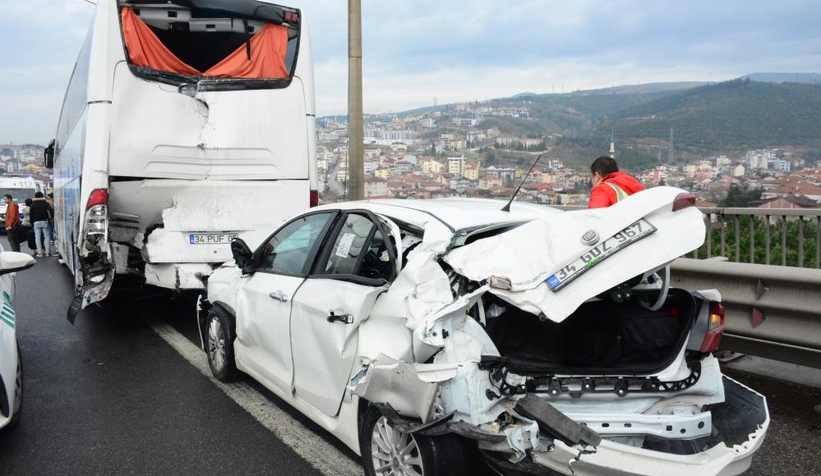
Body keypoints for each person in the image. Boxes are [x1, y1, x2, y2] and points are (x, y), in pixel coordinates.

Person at [29, 191, 54, 257]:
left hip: (36, 222)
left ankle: (40, 253)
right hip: (44, 221)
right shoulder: (45, 203)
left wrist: (32, 223)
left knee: (37, 237)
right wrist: (51, 218)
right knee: (47, 236)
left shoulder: (32, 205)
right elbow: (51, 211)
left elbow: (31, 215)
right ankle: (47, 252)